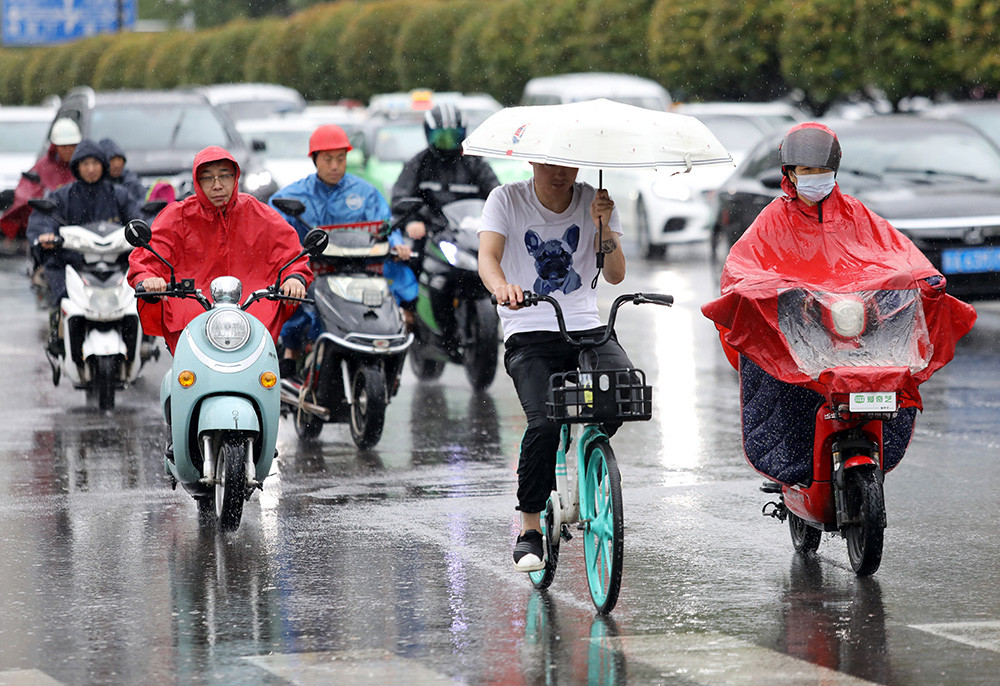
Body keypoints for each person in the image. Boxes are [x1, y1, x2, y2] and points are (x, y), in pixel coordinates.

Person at [702, 121, 976, 486]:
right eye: (806, 171)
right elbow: (744, 269)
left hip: (857, 330)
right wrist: (765, 289)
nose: (815, 178)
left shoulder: (857, 214)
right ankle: (793, 469)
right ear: (790, 174)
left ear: (835, 172)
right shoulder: (772, 220)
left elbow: (898, 255)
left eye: (822, 171)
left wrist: (922, 279)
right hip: (800, 332)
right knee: (781, 388)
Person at [478, 161, 627, 572]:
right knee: (543, 423)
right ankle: (529, 528)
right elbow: (488, 257)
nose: (559, 173)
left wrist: (603, 226)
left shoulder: (595, 200)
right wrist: (501, 286)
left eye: (567, 165)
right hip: (528, 329)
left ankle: (587, 457)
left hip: (586, 327)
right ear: (532, 162)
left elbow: (615, 275)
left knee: (622, 395)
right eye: (548, 165)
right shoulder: (507, 198)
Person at [128, 146, 311, 355]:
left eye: (224, 176)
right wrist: (149, 278)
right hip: (191, 315)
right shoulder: (177, 216)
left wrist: (294, 278)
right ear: (197, 182)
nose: (217, 186)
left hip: (252, 314)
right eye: (207, 178)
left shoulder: (259, 213)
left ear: (236, 178)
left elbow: (290, 253)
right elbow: (149, 255)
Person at [270, 123, 416, 378]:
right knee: (294, 298)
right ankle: (291, 352)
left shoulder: (365, 192)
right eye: (328, 159)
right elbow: (275, 228)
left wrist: (397, 244)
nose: (335, 166)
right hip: (314, 270)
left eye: (341, 158)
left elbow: (385, 225)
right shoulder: (295, 194)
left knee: (399, 280)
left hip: (359, 269)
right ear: (314, 159)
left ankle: (402, 329)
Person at [392, 103, 499, 346]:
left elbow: (497, 196)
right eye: (441, 136)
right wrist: (413, 221)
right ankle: (409, 312)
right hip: (431, 233)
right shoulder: (419, 164)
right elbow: (399, 198)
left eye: (453, 136)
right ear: (428, 133)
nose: (447, 142)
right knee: (410, 259)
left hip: (468, 233)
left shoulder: (476, 164)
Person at [27, 138, 144, 357]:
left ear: (103, 165)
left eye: (95, 163)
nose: (90, 169)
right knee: (59, 286)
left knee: (143, 292)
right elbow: (45, 217)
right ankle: (58, 332)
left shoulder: (119, 194)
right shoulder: (63, 195)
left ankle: (143, 337)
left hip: (115, 263)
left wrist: (147, 230)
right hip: (73, 262)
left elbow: (139, 218)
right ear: (77, 167)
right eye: (85, 163)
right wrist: (45, 235)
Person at [1, 117, 81, 250]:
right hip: (52, 227)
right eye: (64, 146)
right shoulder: (43, 167)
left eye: (72, 146)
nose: (68, 150)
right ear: (55, 146)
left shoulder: (85, 167)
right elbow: (26, 197)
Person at [99, 138, 147, 203]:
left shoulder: (131, 180)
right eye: (112, 160)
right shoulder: (97, 186)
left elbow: (144, 202)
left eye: (119, 159)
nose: (116, 165)